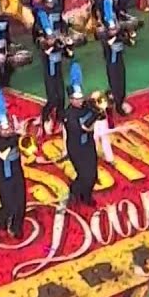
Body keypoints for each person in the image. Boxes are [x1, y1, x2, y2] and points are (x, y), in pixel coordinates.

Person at [0, 88, 27, 239]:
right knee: (9, 204)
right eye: (5, 128)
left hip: (17, 173)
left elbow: (28, 147)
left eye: (9, 127)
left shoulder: (16, 137)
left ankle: (16, 227)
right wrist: (11, 143)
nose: (9, 130)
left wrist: (22, 136)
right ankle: (2, 217)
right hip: (3, 177)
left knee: (21, 202)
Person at [64, 63, 101, 207]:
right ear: (71, 99)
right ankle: (75, 189)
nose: (80, 101)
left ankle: (86, 195)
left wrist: (97, 109)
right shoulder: (69, 115)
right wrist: (95, 115)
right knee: (85, 176)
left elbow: (96, 119)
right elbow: (85, 127)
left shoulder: (85, 105)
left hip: (88, 145)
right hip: (76, 148)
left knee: (93, 176)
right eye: (76, 99)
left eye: (81, 98)